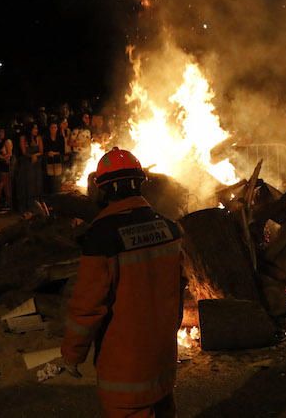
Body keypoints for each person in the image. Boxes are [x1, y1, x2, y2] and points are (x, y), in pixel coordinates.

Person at [61, 148, 184, 418]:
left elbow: (88, 305)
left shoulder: (101, 237)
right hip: (162, 356)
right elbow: (178, 290)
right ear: (140, 184)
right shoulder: (170, 228)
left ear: (104, 190)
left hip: (125, 364)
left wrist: (72, 354)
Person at [17, 123, 43, 213]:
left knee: (37, 184)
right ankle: (26, 207)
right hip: (26, 164)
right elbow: (24, 151)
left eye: (36, 128)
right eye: (34, 129)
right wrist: (31, 156)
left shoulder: (38, 138)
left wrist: (35, 155)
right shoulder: (23, 138)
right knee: (27, 184)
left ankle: (36, 205)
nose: (36, 130)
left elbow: (41, 151)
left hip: (36, 164)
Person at [43, 120, 66, 195]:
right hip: (49, 161)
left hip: (58, 160)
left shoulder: (60, 138)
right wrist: (48, 153)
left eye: (55, 127)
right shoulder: (46, 138)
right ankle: (51, 195)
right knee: (50, 179)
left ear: (57, 128)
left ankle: (57, 194)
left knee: (58, 179)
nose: (53, 129)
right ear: (49, 129)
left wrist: (55, 153)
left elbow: (62, 150)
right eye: (52, 127)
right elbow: (44, 149)